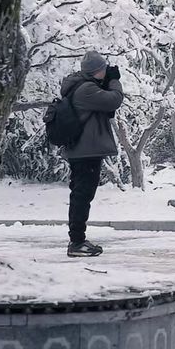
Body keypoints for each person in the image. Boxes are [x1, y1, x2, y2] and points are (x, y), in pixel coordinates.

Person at [61, 50, 124, 257]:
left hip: (83, 150)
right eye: (104, 69)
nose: (106, 72)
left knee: (81, 194)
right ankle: (77, 242)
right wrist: (114, 81)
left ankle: (78, 240)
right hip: (84, 151)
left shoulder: (84, 86)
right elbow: (113, 100)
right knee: (82, 195)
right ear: (97, 71)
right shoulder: (86, 89)